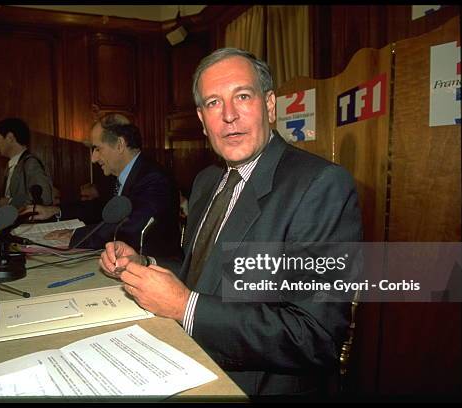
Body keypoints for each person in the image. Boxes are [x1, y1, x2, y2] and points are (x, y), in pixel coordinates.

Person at [97, 48, 363, 397]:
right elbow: (203, 272)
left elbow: (315, 336)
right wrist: (145, 264)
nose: (229, 116)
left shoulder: (321, 185)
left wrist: (185, 306)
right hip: (186, 356)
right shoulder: (207, 181)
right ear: (202, 119)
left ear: (269, 106)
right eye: (213, 103)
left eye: (242, 96)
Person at [21, 118, 182, 258]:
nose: (93, 158)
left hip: (155, 267)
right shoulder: (122, 176)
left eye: (97, 148)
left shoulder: (154, 178)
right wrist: (56, 211)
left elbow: (131, 227)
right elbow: (101, 210)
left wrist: (75, 236)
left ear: (119, 145)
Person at [0, 117, 53, 209]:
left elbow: (44, 197)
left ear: (10, 137)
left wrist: (10, 202)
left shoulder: (30, 163)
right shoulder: (12, 166)